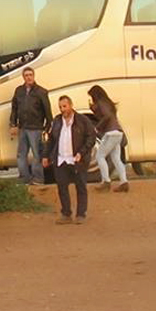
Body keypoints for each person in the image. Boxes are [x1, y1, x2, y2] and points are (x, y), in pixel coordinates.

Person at [42, 95, 97, 224]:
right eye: (60, 107)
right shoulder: (57, 121)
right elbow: (51, 140)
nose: (62, 109)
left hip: (77, 159)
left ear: (71, 105)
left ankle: (81, 214)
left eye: (65, 106)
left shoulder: (82, 120)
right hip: (61, 159)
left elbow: (91, 137)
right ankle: (66, 213)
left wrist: (81, 153)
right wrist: (46, 156)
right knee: (62, 187)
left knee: (81, 187)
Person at [10, 68, 50, 183]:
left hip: (36, 128)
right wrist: (13, 123)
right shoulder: (19, 91)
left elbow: (47, 110)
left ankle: (38, 178)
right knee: (21, 154)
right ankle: (24, 178)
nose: (29, 77)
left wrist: (48, 127)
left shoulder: (41, 92)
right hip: (23, 127)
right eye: (26, 75)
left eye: (30, 75)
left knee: (37, 154)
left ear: (34, 76)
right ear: (23, 77)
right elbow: (14, 108)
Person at [89, 85, 131, 192]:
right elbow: (109, 115)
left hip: (110, 133)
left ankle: (106, 181)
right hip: (117, 132)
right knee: (116, 158)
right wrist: (94, 110)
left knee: (100, 156)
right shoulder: (108, 103)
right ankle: (124, 182)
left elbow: (106, 116)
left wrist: (97, 128)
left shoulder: (101, 103)